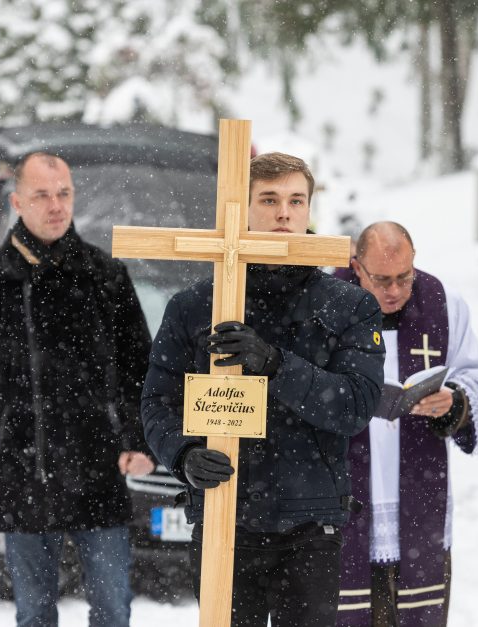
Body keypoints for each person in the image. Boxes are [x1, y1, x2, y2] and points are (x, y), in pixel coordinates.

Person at [140, 152, 385, 627]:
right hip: (224, 515)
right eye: (269, 200)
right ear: (241, 209)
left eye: (296, 200)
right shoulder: (193, 307)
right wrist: (185, 454)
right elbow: (157, 403)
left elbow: (355, 406)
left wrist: (275, 365)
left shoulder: (348, 305)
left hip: (311, 522)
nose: (283, 213)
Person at [0, 152, 155, 627]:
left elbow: (138, 370)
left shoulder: (105, 276)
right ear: (18, 201)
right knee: (35, 612)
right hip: (19, 470)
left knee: (112, 610)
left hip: (98, 468)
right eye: (42, 195)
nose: (56, 205)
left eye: (64, 194)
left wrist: (139, 440)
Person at [334, 221, 478, 627]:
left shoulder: (443, 303)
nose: (393, 290)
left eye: (403, 278)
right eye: (382, 279)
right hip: (344, 493)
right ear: (357, 267)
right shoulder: (327, 300)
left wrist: (454, 400)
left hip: (418, 492)